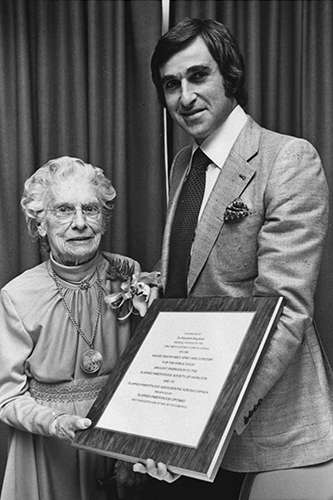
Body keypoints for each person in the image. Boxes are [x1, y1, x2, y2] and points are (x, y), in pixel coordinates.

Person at [135, 17, 333, 499]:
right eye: (170, 84)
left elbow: (284, 309)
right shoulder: (185, 164)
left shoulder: (287, 158)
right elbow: (197, 273)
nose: (185, 97)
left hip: (261, 424)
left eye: (198, 76)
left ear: (229, 74)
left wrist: (212, 417)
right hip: (185, 412)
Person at [0, 156, 159, 500]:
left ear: (103, 219)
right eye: (63, 210)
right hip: (47, 450)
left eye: (90, 209)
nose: (80, 223)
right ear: (40, 223)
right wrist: (56, 423)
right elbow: (7, 397)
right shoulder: (17, 295)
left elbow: (150, 365)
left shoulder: (128, 273)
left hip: (117, 442)